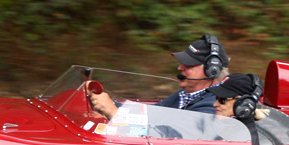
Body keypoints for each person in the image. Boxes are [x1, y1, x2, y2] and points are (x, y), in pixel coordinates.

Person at [89, 34, 230, 120]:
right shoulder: (187, 94)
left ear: (212, 71)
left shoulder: (214, 107)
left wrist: (114, 113)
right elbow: (151, 114)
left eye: (188, 64)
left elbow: (170, 135)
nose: (180, 67)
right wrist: (103, 104)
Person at [207, 73, 270, 144]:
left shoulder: (244, 140)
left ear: (243, 103)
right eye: (216, 98)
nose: (215, 104)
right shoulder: (230, 128)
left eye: (222, 99)